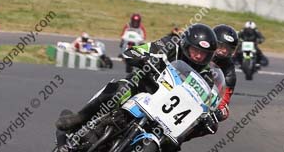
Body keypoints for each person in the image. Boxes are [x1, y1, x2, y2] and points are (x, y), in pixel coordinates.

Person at [56, 23, 218, 132]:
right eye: (195, 50)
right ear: (185, 44)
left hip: (168, 108)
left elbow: (210, 99)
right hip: (144, 86)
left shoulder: (205, 74)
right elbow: (137, 51)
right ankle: (79, 117)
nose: (198, 56)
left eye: (203, 54)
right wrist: (141, 57)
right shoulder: (170, 45)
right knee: (121, 89)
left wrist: (212, 114)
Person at [211, 24, 239, 122]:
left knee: (213, 123)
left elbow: (225, 98)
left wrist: (220, 109)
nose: (224, 51)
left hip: (203, 100)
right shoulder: (198, 52)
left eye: (228, 49)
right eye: (221, 46)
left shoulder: (229, 68)